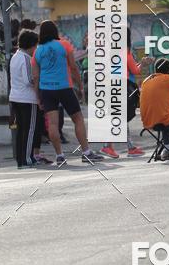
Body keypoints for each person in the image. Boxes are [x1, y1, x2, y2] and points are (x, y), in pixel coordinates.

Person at [32, 20, 103, 166]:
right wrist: (80, 86)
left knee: (52, 123)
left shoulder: (38, 51)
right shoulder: (64, 44)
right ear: (55, 31)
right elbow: (73, 67)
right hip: (64, 87)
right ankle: (86, 152)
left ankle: (59, 156)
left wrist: (38, 96)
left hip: (47, 90)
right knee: (78, 119)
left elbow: (36, 77)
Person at [100, 28, 150, 158]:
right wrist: (143, 64)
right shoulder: (125, 53)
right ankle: (107, 146)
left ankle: (129, 147)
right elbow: (135, 71)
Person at [9, 30, 51, 168]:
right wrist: (39, 83)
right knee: (29, 130)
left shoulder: (15, 57)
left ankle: (22, 159)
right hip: (27, 99)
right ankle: (26, 159)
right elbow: (28, 80)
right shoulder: (26, 58)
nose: (36, 49)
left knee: (21, 130)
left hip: (15, 98)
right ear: (31, 45)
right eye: (36, 45)